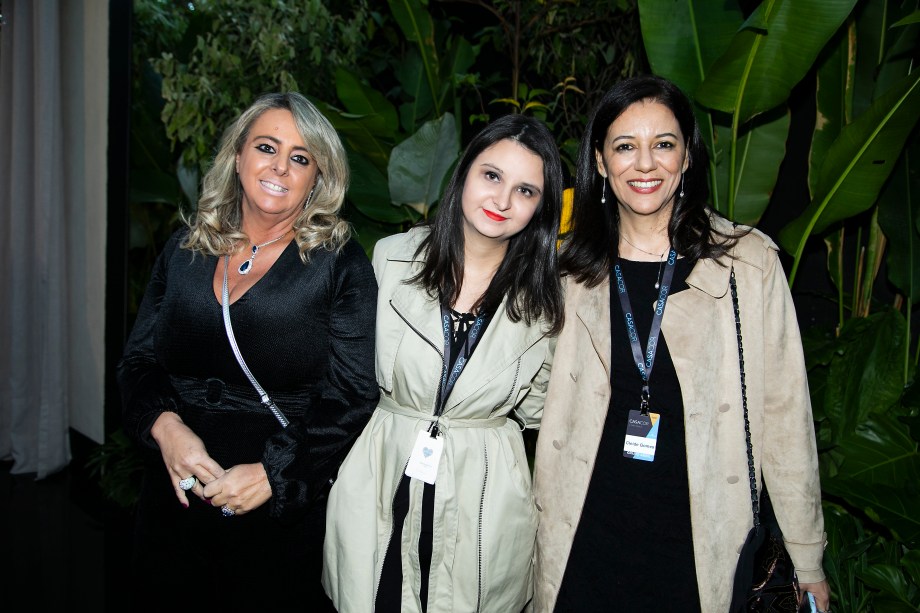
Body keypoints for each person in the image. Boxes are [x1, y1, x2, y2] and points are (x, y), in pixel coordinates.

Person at [532, 75, 831, 612]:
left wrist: (807, 556)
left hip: (699, 544)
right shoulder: (569, 269)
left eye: (663, 145)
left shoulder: (748, 264)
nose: (645, 165)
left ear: (687, 156)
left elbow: (785, 414)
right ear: (600, 162)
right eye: (625, 146)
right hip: (583, 537)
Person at [116, 92, 378, 611]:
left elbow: (352, 394)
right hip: (175, 499)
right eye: (266, 147)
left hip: (275, 514)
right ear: (238, 158)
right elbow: (138, 362)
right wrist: (165, 430)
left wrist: (273, 475)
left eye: (301, 158)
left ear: (317, 178)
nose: (281, 166)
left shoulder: (337, 263)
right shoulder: (186, 246)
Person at [322, 114, 565, 613]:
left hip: (483, 491)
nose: (502, 200)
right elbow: (344, 374)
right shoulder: (389, 259)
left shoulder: (545, 299)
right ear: (464, 173)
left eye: (525, 191)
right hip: (383, 474)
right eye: (492, 175)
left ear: (541, 208)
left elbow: (544, 407)